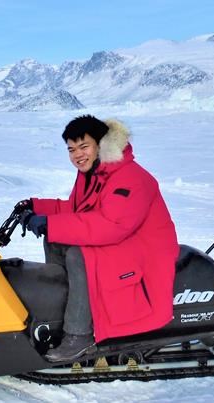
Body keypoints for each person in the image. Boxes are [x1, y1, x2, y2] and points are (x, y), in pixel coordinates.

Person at [16, 115, 179, 362]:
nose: (77, 155)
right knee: (56, 241)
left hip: (144, 253)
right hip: (123, 244)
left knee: (78, 255)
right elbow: (76, 210)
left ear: (101, 144)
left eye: (84, 146)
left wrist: (49, 223)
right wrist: (36, 207)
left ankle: (78, 334)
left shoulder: (130, 177)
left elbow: (111, 225)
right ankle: (63, 315)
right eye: (71, 149)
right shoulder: (94, 173)